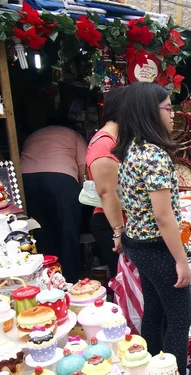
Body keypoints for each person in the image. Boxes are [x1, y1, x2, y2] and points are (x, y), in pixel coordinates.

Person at [113, 83, 191, 375]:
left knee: (155, 313)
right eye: (168, 108)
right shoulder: (155, 155)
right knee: (180, 317)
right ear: (150, 112)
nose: (173, 114)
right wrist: (181, 260)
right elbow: (163, 217)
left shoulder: (133, 149)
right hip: (156, 248)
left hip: (138, 244)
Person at [21, 118, 87, 282]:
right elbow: (83, 167)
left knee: (39, 232)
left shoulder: (33, 135)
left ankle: (44, 278)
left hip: (26, 181)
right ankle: (70, 278)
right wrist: (80, 192)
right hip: (61, 181)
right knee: (67, 231)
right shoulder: (74, 136)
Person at [86, 87, 127, 278]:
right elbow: (106, 192)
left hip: (115, 220)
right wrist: (118, 231)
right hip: (109, 222)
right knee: (123, 280)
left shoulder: (116, 140)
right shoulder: (105, 143)